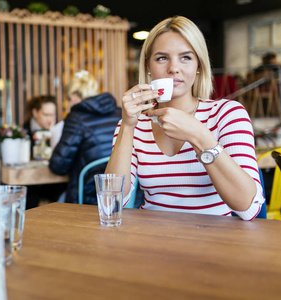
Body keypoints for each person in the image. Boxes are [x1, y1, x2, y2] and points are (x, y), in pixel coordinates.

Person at [105, 16, 265, 221]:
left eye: (186, 57)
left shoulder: (227, 114)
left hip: (217, 242)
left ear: (198, 65)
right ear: (148, 66)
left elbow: (248, 207)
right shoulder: (133, 123)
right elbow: (114, 202)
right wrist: (127, 125)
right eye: (162, 58)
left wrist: (198, 135)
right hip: (151, 242)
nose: (173, 68)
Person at [49, 74, 122, 205]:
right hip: (126, 194)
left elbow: (58, 166)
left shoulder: (76, 118)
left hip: (90, 195)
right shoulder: (121, 113)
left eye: (68, 100)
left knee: (53, 203)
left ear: (73, 97)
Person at [22, 95, 64, 209]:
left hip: (53, 181)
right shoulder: (23, 132)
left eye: (53, 115)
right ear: (35, 112)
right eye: (46, 115)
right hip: (30, 182)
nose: (50, 119)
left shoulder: (59, 131)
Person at [50, 70, 98, 149]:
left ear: (73, 97)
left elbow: (59, 159)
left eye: (69, 99)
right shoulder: (110, 119)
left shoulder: (64, 126)